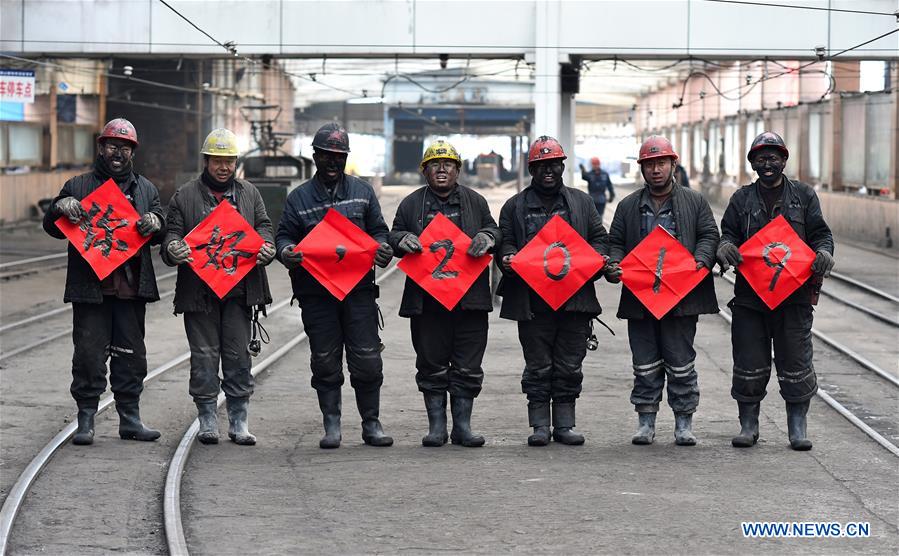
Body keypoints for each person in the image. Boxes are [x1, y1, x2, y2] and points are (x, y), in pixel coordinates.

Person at [43, 118, 165, 445]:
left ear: (132, 153)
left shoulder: (147, 190)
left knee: (131, 354)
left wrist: (156, 222)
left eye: (125, 148)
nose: (118, 152)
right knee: (88, 354)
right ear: (101, 147)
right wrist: (60, 208)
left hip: (129, 288)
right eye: (112, 145)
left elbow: (161, 231)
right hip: (90, 288)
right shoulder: (78, 186)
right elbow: (51, 226)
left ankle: (130, 419)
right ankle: (86, 420)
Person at [275, 122, 394, 449]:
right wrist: (287, 252)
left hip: (358, 292)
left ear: (345, 158)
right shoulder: (299, 198)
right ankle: (332, 426)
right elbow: (283, 235)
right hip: (316, 295)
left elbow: (379, 231)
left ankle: (371, 423)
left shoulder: (362, 192)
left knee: (367, 359)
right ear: (315, 156)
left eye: (338, 156)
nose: (332, 162)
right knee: (325, 359)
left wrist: (381, 248)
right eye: (326, 155)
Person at [717, 131, 834, 451]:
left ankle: (797, 427)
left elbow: (821, 235)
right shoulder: (741, 199)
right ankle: (748, 424)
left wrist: (824, 253)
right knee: (749, 363)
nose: (767, 163)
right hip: (751, 300)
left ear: (784, 160)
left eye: (773, 157)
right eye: (760, 158)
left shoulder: (804, 196)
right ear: (752, 163)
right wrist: (725, 247)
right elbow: (727, 233)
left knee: (796, 363)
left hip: (793, 300)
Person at [497, 136, 614, 446]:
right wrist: (507, 257)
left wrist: (599, 257)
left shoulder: (581, 202)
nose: (547, 170)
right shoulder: (514, 206)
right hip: (532, 303)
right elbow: (505, 241)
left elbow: (600, 238)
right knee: (538, 365)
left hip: (574, 301)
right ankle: (539, 426)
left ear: (562, 166)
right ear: (532, 169)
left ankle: (564, 425)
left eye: (553, 164)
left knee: (569, 364)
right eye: (540, 166)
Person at [162, 128, 275, 446]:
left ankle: (239, 420)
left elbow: (265, 226)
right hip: (200, 295)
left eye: (229, 161)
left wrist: (266, 245)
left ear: (236, 162)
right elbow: (171, 233)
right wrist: (173, 248)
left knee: (239, 357)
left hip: (240, 293)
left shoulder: (249, 194)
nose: (223, 167)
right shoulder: (185, 195)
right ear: (206, 161)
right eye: (217, 160)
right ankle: (207, 417)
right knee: (204, 357)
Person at [606, 136, 719, 446]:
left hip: (681, 299)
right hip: (640, 299)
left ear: (673, 164)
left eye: (661, 163)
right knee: (644, 362)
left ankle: (684, 421)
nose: (655, 170)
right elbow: (615, 242)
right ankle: (646, 421)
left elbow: (710, 234)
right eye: (649, 165)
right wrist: (614, 265)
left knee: (680, 362)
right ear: (642, 169)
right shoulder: (629, 206)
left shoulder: (694, 202)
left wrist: (701, 260)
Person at [388, 140, 499, 447]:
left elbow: (495, 229)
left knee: (468, 364)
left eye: (448, 164)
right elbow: (393, 233)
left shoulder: (475, 201)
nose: (441, 169)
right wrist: (402, 238)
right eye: (434, 164)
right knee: (431, 363)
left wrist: (488, 236)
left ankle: (462, 427)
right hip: (427, 303)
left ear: (458, 170)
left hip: (470, 301)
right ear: (424, 170)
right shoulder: (411, 204)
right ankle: (437, 427)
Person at [579, 156, 615, 222]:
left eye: (596, 164)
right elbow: (584, 176)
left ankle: (598, 230)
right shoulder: (590, 174)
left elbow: (609, 185)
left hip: (601, 199)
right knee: (591, 217)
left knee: (599, 216)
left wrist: (612, 195)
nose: (595, 166)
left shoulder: (605, 174)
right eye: (594, 164)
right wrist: (582, 170)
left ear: (599, 164)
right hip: (592, 200)